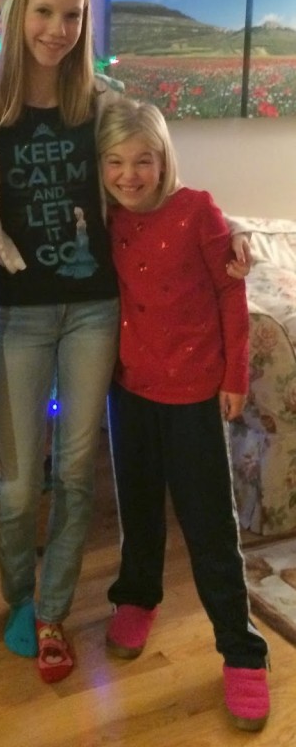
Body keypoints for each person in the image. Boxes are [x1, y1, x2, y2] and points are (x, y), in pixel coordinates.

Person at [0, 0, 123, 682]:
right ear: (17, 13)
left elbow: (152, 176)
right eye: (44, 12)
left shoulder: (104, 103)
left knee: (78, 471)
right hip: (20, 313)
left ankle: (54, 606)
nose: (58, 29)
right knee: (22, 482)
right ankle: (19, 598)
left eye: (72, 15)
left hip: (94, 310)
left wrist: (222, 238)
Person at [97, 98, 270, 732]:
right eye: (115, 162)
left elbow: (231, 291)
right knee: (138, 508)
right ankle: (137, 595)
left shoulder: (198, 210)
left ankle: (241, 649)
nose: (130, 174)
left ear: (164, 158)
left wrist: (235, 375)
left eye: (143, 160)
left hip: (194, 393)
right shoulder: (107, 217)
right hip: (129, 390)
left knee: (208, 524)